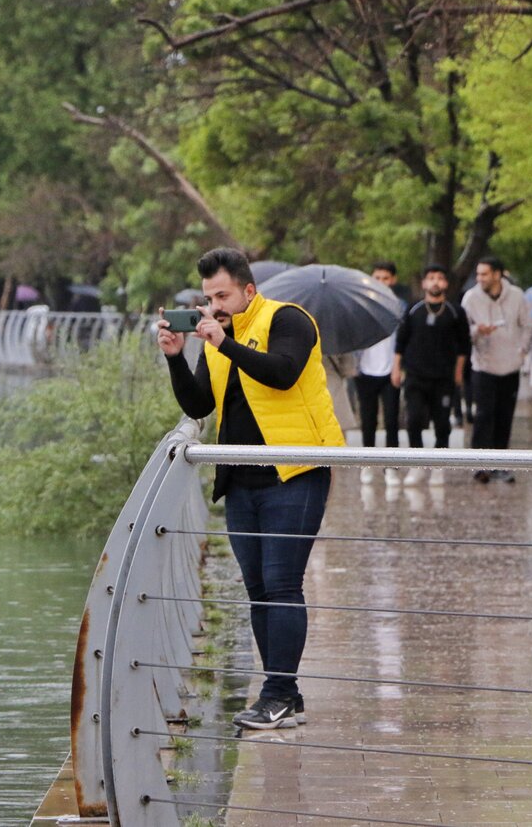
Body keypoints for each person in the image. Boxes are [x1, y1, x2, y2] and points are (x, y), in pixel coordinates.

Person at [158, 248, 343, 730]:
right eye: (208, 297)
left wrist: (224, 342)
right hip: (240, 477)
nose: (214, 305)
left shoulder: (290, 321)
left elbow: (281, 375)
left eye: (222, 295)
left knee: (283, 585)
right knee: (259, 590)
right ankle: (287, 694)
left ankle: (277, 694)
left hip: (295, 472)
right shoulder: (217, 338)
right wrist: (177, 359)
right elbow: (199, 404)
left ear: (248, 291)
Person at [391, 265, 469, 485]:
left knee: (442, 423)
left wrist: (458, 373)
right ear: (424, 283)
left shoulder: (455, 312)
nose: (435, 282)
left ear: (446, 284)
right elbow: (401, 342)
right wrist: (396, 368)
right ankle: (416, 464)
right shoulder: (414, 310)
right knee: (414, 419)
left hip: (444, 377)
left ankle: (438, 465)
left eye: (440, 278)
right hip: (415, 376)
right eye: (431, 278)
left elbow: (464, 346)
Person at [461, 258, 532, 482]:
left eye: (484, 274)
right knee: (483, 416)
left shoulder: (517, 295)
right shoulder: (471, 298)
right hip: (483, 365)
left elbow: (528, 325)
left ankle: (501, 464)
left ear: (497, 274)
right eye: (478, 274)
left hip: (510, 366)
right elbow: (462, 330)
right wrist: (477, 331)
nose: (479, 278)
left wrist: (521, 351)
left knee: (504, 416)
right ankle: (480, 465)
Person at [354, 262, 402, 486]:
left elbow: (402, 341)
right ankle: (367, 463)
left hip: (390, 370)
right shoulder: (361, 304)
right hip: (365, 370)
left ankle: (391, 465)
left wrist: (398, 366)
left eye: (385, 278)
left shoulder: (399, 306)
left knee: (391, 420)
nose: (381, 281)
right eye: (377, 277)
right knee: (368, 419)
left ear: (393, 279)